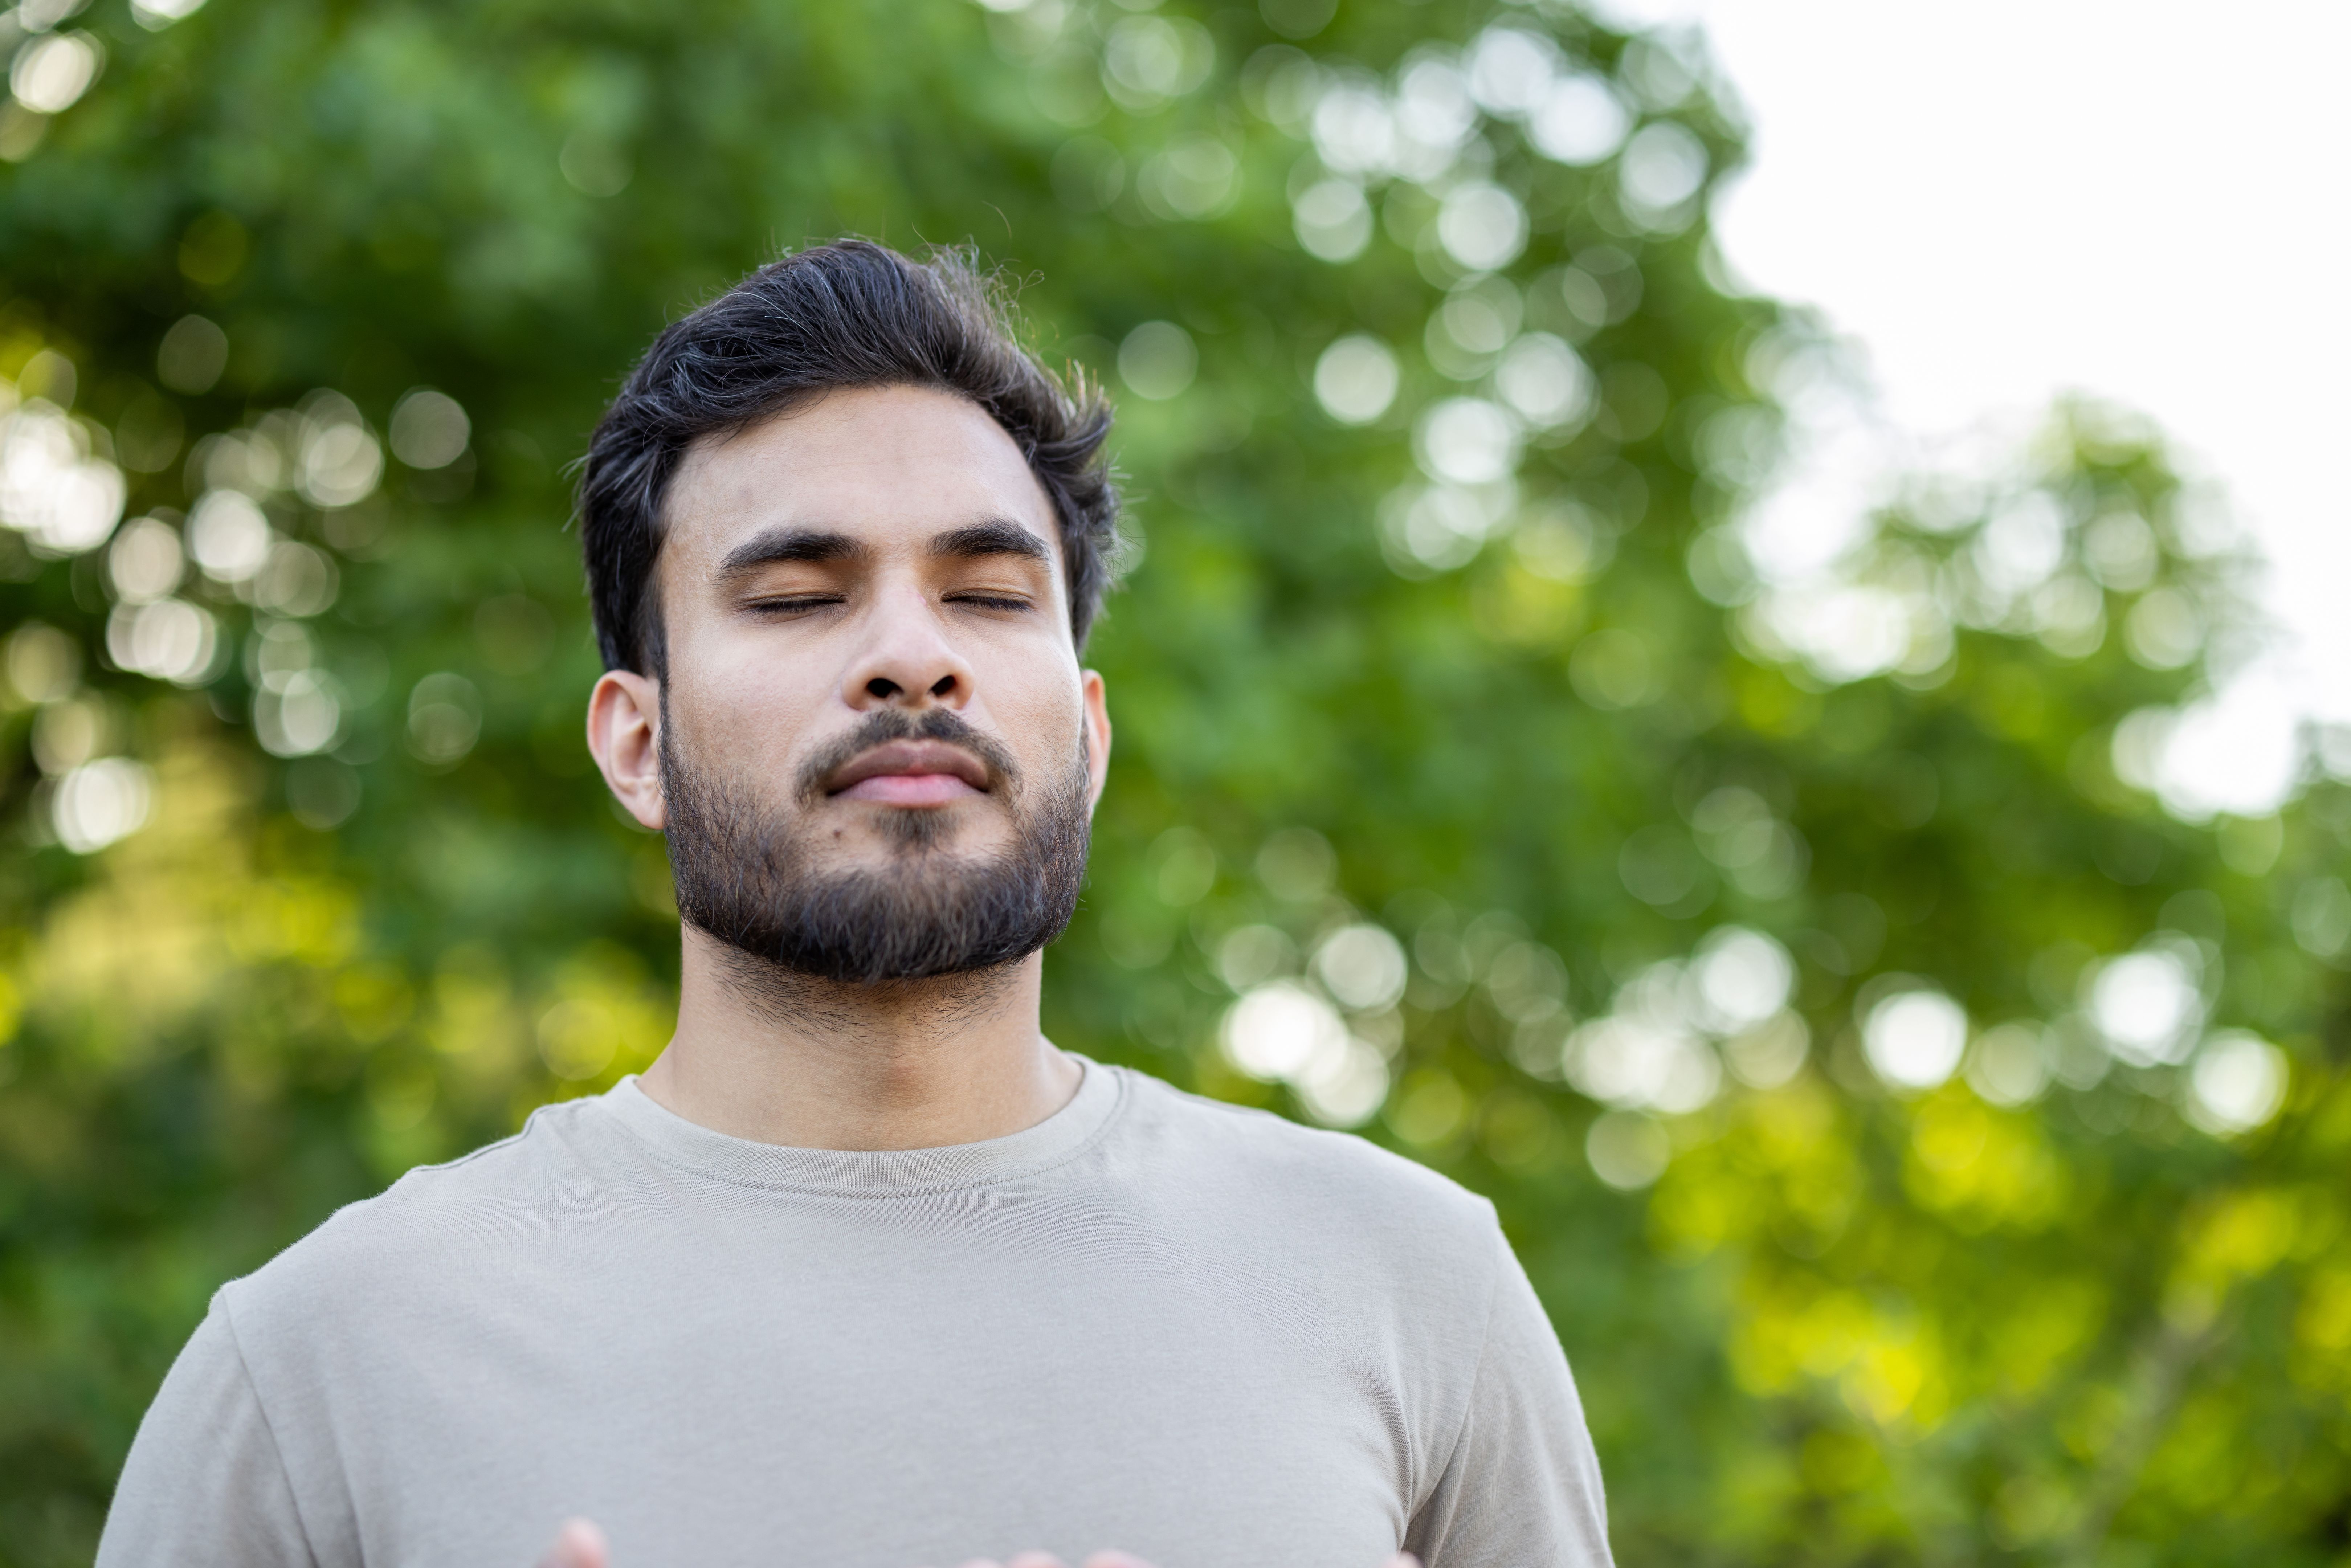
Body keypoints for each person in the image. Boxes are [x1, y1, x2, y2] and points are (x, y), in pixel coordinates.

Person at [95, 240, 1615, 1568]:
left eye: (989, 593)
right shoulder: (318, 1368)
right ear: (638, 742)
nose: (911, 655)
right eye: (798, 595)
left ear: (1085, 730)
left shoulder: (1418, 1291)